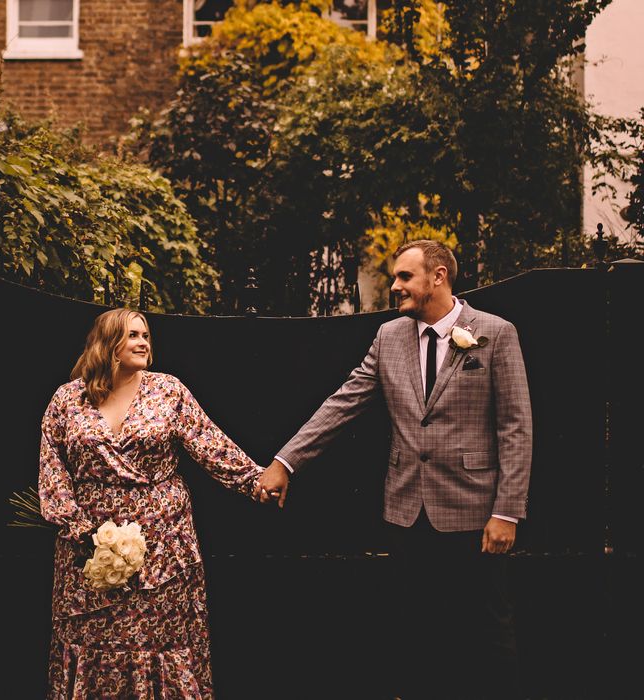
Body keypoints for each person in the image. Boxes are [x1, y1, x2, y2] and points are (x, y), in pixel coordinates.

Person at [256, 240, 532, 699]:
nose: (395, 286)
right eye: (394, 278)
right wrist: (286, 461)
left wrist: (507, 511)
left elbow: (515, 427)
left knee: (487, 630)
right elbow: (343, 404)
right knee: (417, 630)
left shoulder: (495, 332)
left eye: (405, 276)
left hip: (474, 512)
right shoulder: (389, 337)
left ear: (438, 277)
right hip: (406, 511)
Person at [39, 308, 265, 699]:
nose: (144, 342)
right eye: (133, 335)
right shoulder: (67, 398)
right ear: (108, 342)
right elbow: (52, 466)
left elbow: (209, 444)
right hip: (90, 547)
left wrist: (255, 480)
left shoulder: (168, 391)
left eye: (146, 335)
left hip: (162, 542)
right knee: (94, 635)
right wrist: (76, 527)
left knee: (156, 639)